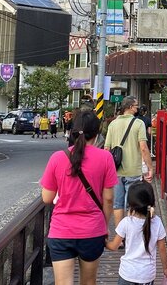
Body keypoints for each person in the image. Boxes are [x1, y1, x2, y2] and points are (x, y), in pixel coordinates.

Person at [41, 111, 117, 285]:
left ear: (73, 131)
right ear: (97, 134)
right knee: (88, 282)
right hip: (92, 230)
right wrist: (104, 226)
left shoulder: (57, 158)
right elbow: (108, 199)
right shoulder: (105, 158)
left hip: (61, 231)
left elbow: (46, 198)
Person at [106, 181, 167, 285]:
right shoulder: (157, 222)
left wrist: (103, 242)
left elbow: (114, 246)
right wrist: (165, 268)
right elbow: (162, 248)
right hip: (147, 275)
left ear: (131, 204)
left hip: (127, 273)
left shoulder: (126, 222)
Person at [104, 97, 154, 229]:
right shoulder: (138, 124)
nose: (138, 108)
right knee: (132, 204)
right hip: (133, 170)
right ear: (130, 107)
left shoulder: (113, 124)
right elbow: (143, 148)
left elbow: (107, 149)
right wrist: (150, 168)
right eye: (136, 105)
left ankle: (120, 234)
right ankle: (130, 234)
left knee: (117, 204)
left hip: (116, 171)